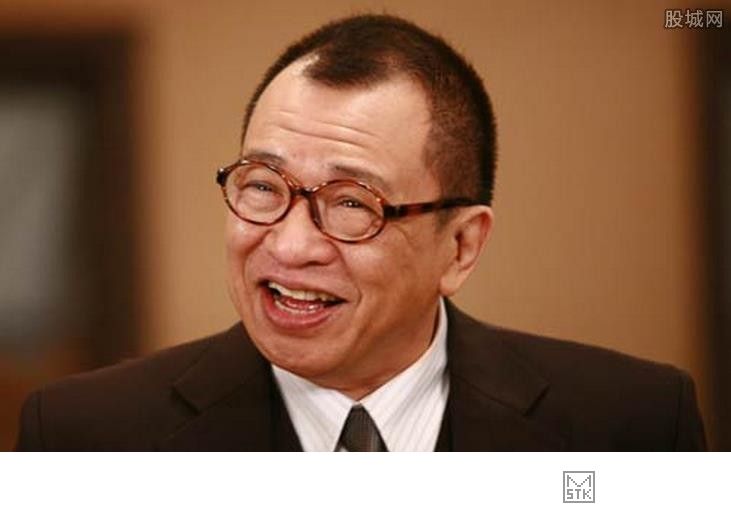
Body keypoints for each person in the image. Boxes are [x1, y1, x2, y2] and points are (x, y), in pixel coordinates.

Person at [16, 14, 705, 451]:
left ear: (460, 246)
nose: (289, 246)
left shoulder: (631, 425)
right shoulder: (85, 438)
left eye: (351, 204)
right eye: (263, 186)